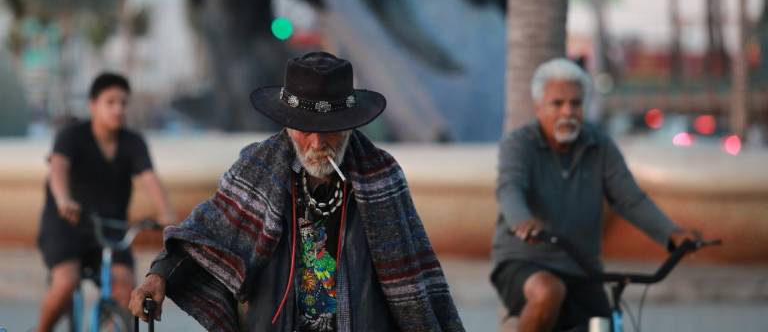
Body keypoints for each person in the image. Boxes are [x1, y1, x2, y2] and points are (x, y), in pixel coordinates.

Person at [129, 52, 465, 332]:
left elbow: (418, 277)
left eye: (331, 130)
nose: (318, 143)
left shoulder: (382, 176)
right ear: (288, 123)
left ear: (350, 123)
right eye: (307, 130)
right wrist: (159, 276)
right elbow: (206, 234)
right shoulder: (257, 168)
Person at [490, 58, 701, 332]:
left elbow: (630, 199)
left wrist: (672, 233)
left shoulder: (599, 145)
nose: (568, 112)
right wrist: (522, 220)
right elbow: (510, 187)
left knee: (604, 325)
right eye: (557, 104)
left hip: (582, 267)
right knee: (548, 293)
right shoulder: (519, 144)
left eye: (576, 104)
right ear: (538, 106)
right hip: (524, 261)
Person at [36, 72, 176, 332]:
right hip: (67, 226)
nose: (118, 109)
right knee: (66, 281)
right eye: (110, 102)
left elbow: (150, 179)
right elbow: (58, 168)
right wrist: (64, 199)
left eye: (123, 103)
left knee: (125, 287)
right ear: (93, 105)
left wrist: (167, 215)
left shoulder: (132, 142)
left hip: (110, 230)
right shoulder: (72, 136)